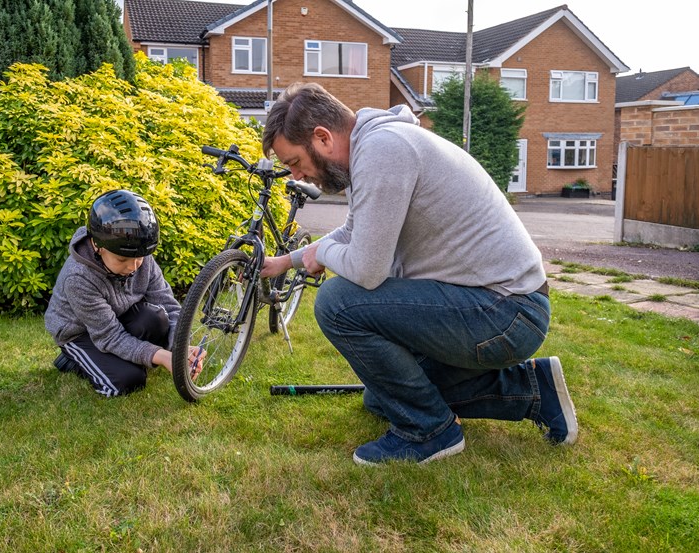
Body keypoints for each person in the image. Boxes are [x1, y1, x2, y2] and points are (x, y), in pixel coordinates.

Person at [260, 82, 577, 466]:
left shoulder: (383, 150)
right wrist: (285, 262)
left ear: (322, 138)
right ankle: (533, 390)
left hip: (506, 312)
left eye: (294, 162)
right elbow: (352, 232)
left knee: (336, 303)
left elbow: (367, 270)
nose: (299, 175)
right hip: (500, 305)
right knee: (382, 395)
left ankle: (429, 431)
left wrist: (323, 252)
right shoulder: (376, 146)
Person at [45, 189, 202, 397]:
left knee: (156, 319)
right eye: (122, 260)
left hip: (119, 316)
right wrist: (161, 356)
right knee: (129, 380)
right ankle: (73, 359)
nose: (134, 266)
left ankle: (125, 357)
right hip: (82, 332)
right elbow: (109, 335)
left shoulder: (138, 254)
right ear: (97, 245)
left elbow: (169, 305)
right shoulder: (78, 278)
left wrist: (180, 346)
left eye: (139, 258)